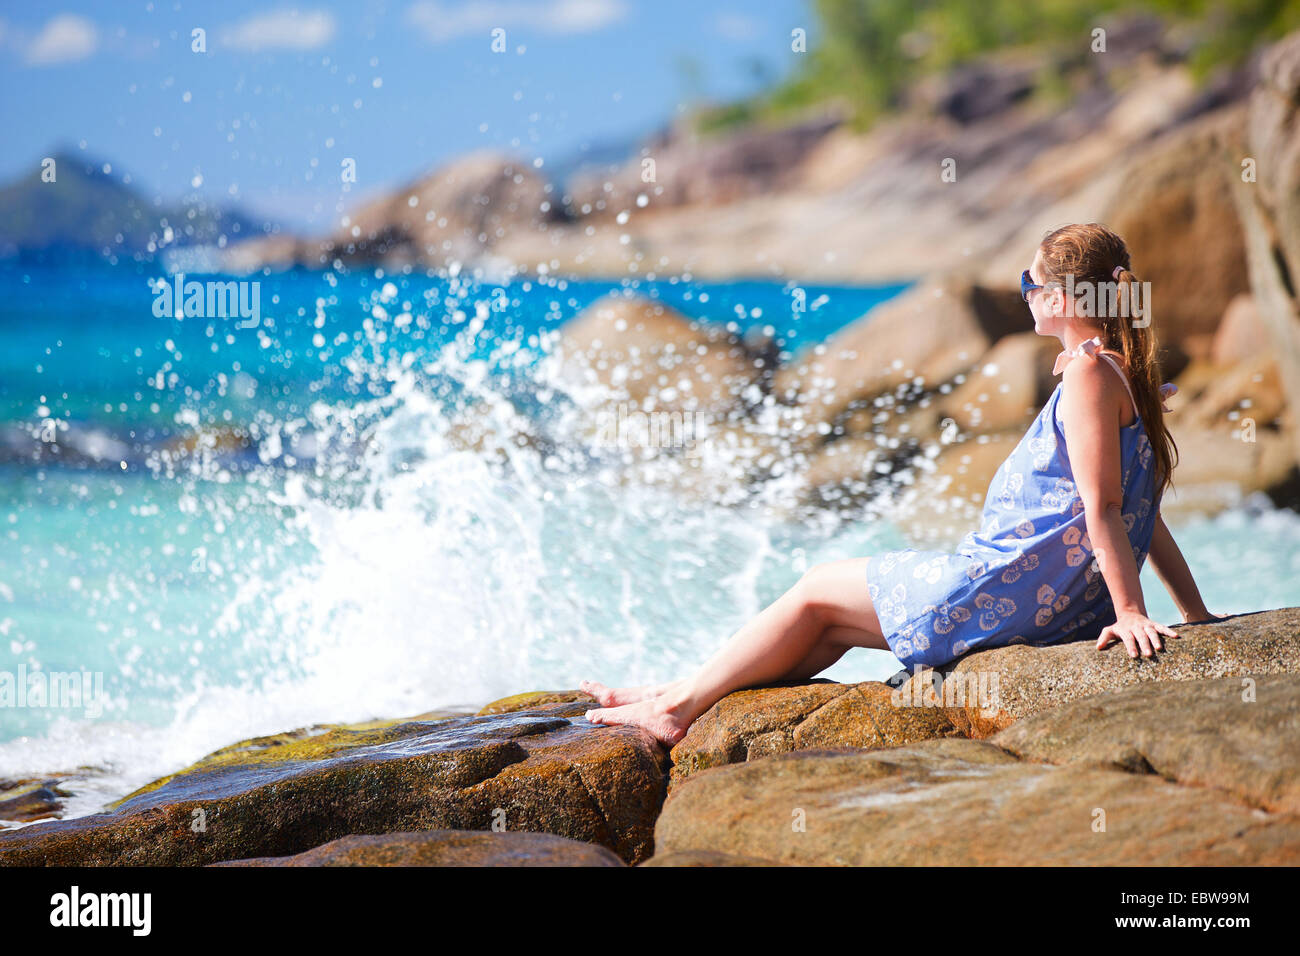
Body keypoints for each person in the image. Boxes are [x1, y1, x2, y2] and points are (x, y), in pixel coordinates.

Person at [581, 223, 1221, 746]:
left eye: (1030, 281)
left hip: (998, 586)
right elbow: (1146, 514)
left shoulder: (1086, 379)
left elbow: (1106, 506)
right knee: (829, 628)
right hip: (1052, 603)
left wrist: (1133, 613)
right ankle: (681, 692)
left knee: (813, 591)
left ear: (1061, 298)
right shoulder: (1127, 376)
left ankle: (676, 707)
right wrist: (1192, 613)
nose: (1024, 292)